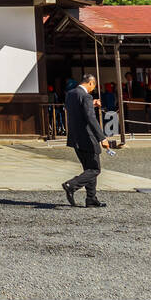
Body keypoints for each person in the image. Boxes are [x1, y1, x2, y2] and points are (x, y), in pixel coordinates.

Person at [62, 73, 110, 208]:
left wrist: (91, 104)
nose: (92, 90)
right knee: (95, 169)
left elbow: (78, 110)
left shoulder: (70, 94)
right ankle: (71, 184)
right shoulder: (86, 96)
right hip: (87, 137)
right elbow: (91, 119)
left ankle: (91, 198)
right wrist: (102, 137)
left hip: (75, 137)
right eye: (93, 87)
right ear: (90, 83)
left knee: (88, 169)